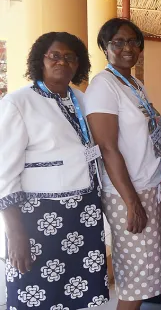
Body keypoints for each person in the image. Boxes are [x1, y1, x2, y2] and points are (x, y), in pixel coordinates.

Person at [0, 32, 108, 309]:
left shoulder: (83, 99)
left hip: (83, 213)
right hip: (37, 218)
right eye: (55, 56)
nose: (62, 62)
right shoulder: (19, 103)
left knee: (77, 292)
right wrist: (15, 232)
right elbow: (4, 172)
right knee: (33, 292)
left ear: (78, 64)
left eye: (70, 57)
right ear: (41, 60)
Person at [84, 18, 161, 309]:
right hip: (128, 192)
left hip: (149, 186)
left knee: (143, 275)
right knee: (134, 281)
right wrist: (132, 202)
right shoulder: (103, 86)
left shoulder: (133, 83)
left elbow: (149, 125)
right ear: (105, 47)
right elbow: (107, 147)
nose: (128, 47)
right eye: (118, 41)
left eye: (133, 42)